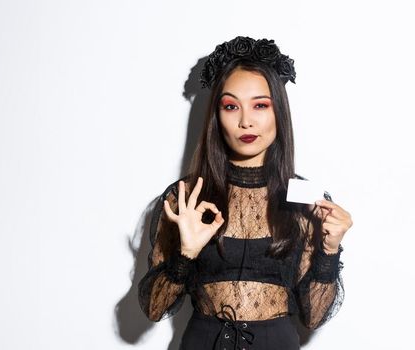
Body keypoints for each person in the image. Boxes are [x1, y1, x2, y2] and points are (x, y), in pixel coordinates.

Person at [138, 36, 353, 350]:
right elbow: (154, 308)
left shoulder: (305, 199)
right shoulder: (187, 197)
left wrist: (329, 250)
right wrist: (185, 255)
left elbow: (314, 316)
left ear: (278, 112)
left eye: (260, 105)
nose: (245, 121)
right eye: (230, 106)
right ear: (217, 115)